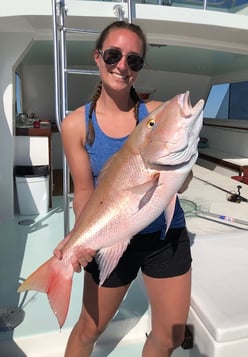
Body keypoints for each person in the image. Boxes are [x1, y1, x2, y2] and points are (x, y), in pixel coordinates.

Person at [54, 20, 193, 357]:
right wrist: (79, 239)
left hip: (165, 237)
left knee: (171, 335)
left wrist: (183, 161)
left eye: (134, 60)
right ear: (98, 57)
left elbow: (180, 184)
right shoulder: (75, 124)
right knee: (89, 329)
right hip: (113, 235)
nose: (122, 66)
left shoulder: (156, 114)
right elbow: (85, 191)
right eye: (114, 55)